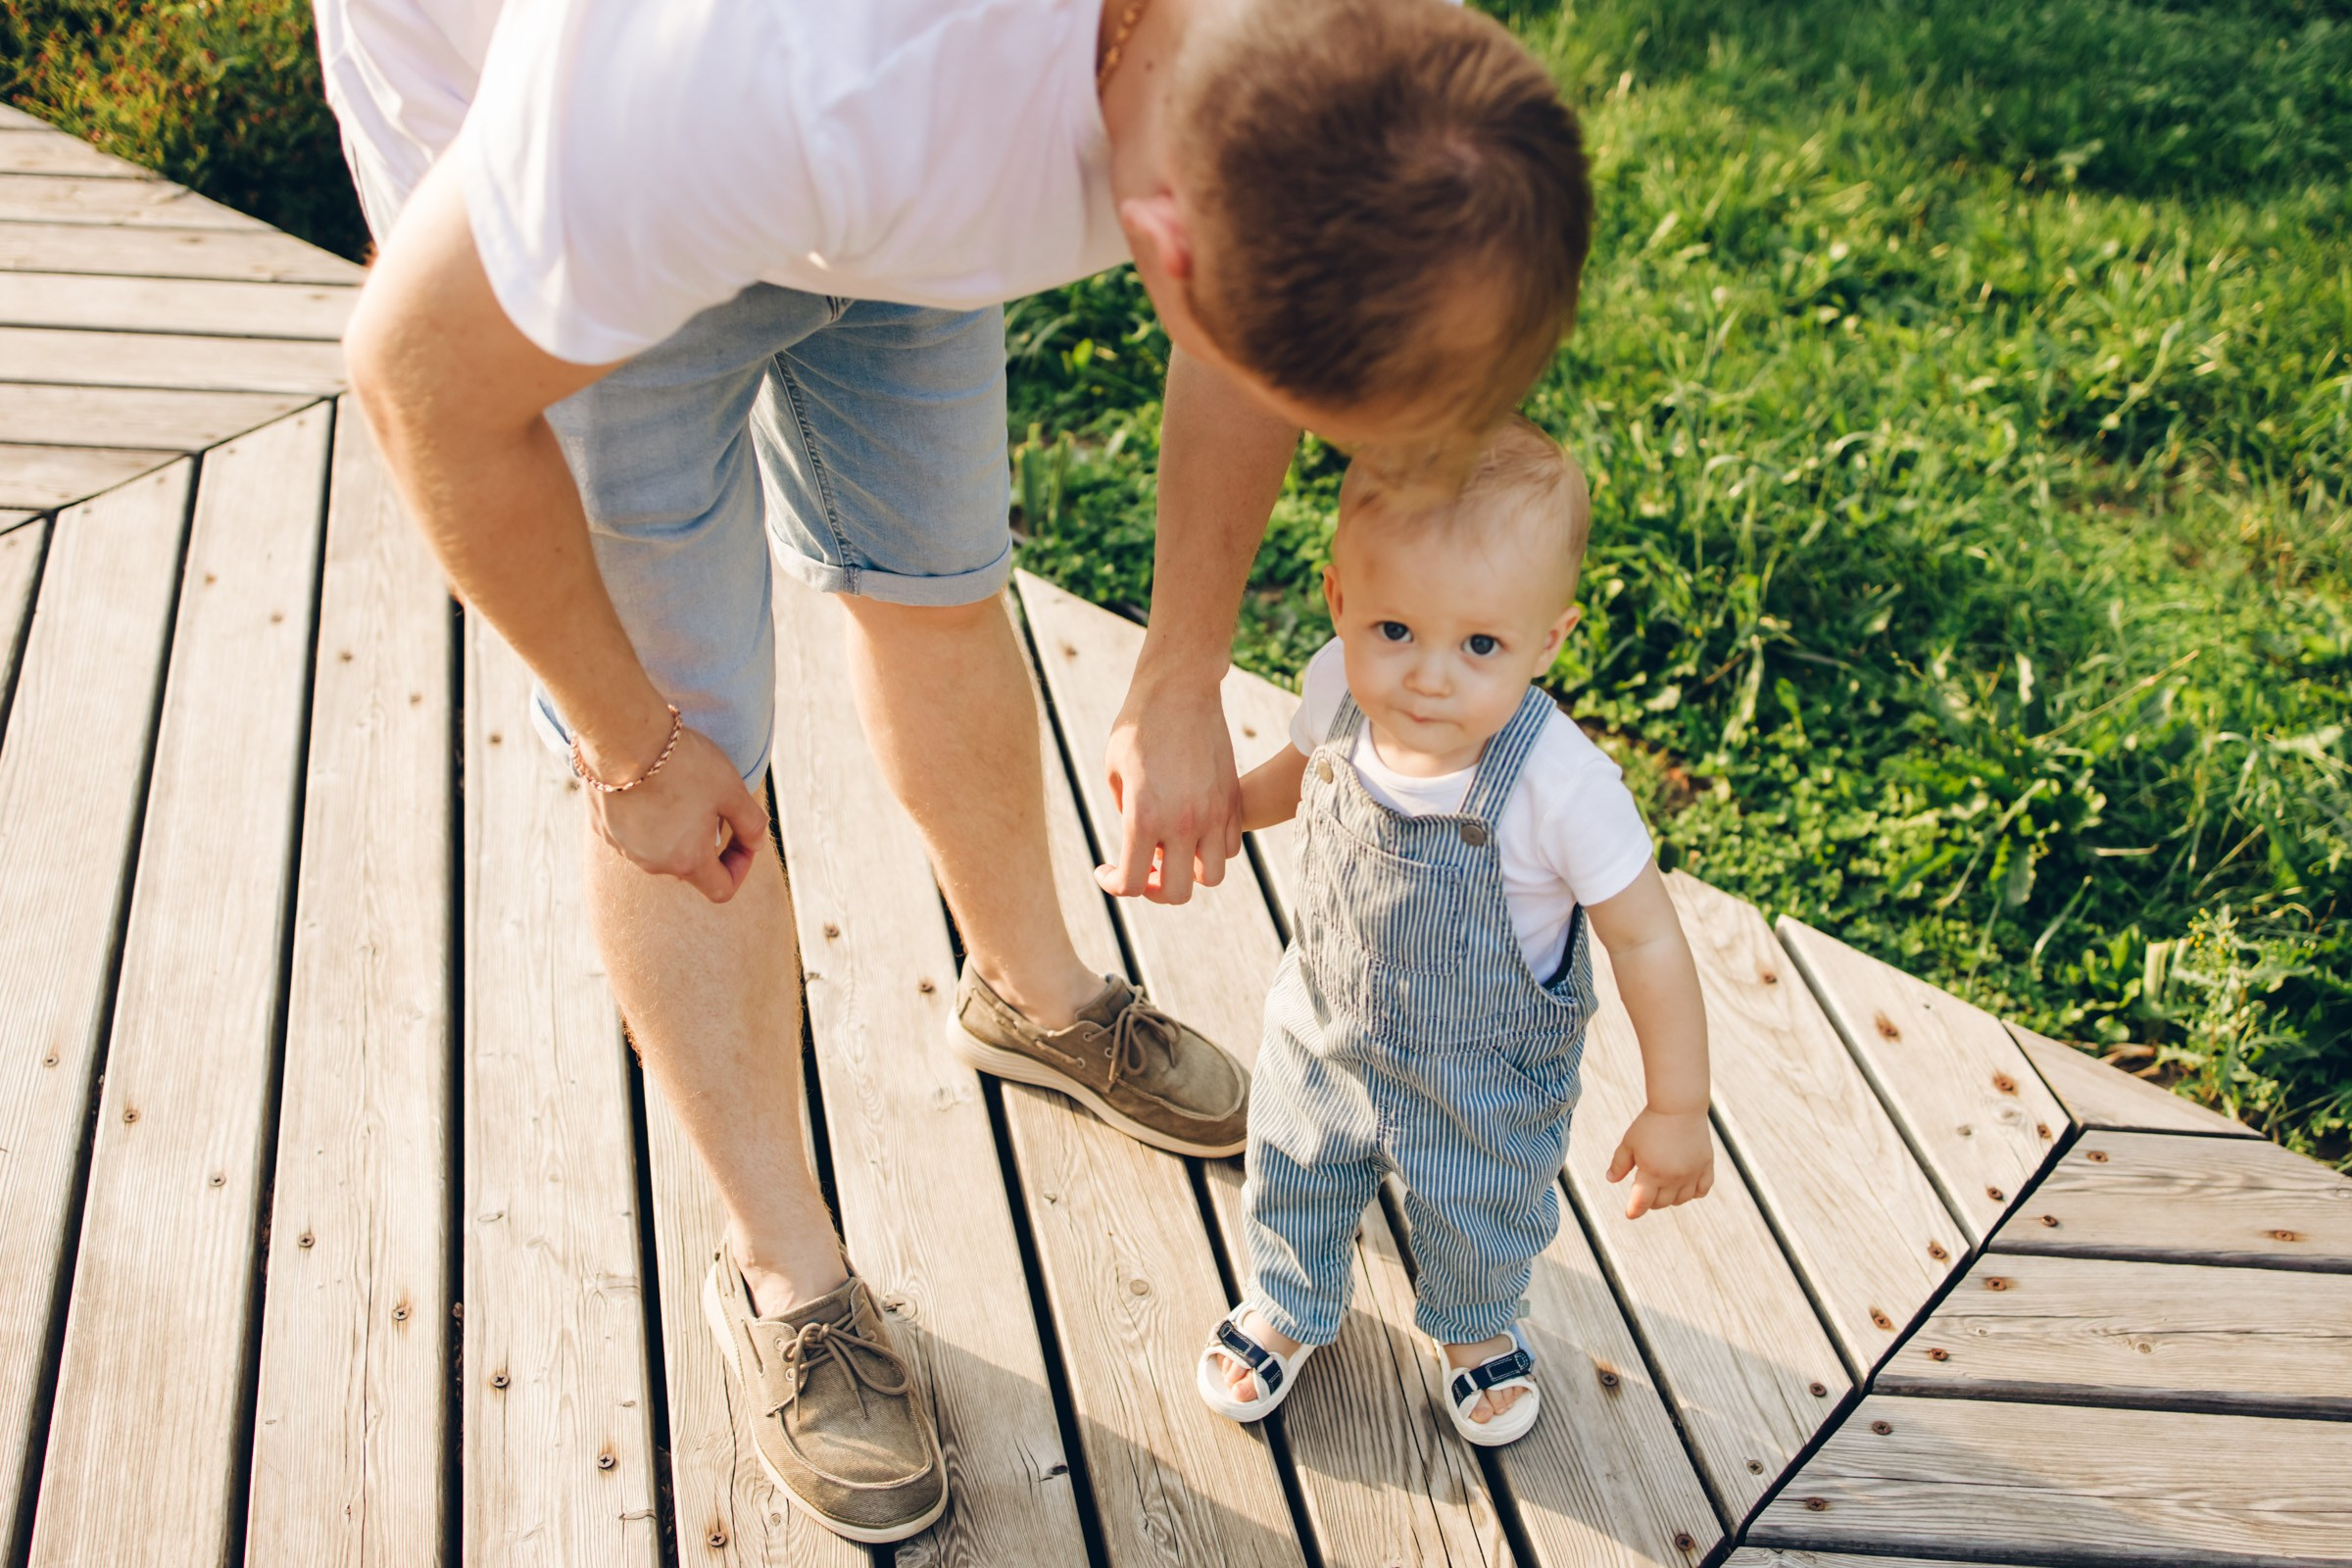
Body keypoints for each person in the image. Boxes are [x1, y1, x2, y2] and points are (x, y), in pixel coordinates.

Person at [324, 0, 1592, 1541]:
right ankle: (788, 1275)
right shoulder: (754, 96)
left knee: (937, 581)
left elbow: (1259, 337)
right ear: (1160, 239)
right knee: (688, 744)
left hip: (901, 159)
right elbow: (418, 382)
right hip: (572, 237)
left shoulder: (1320, 72)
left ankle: (1031, 997)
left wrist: (1182, 667)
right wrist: (629, 745)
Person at [1193, 417, 1712, 1447]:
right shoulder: (1339, 690)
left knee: (1481, 1217)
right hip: (1326, 1024)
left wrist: (1678, 1104)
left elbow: (1648, 940)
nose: (1430, 676)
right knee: (1292, 1165)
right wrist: (1220, 809)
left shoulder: (1560, 784)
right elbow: (1305, 776)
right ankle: (1290, 1301)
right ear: (1341, 600)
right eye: (1395, 631)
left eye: (1481, 645)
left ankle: (1476, 1327)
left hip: (1485, 1074)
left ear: (1548, 639)